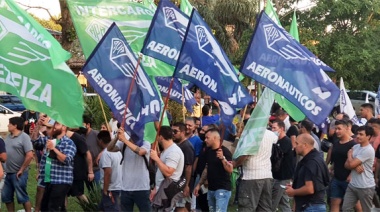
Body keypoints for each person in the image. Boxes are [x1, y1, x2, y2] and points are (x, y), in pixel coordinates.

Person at [33, 121, 77, 211]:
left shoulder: (68, 143)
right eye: (54, 124)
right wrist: (37, 125)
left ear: (64, 127)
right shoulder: (48, 139)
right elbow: (34, 142)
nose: (54, 126)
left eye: (57, 124)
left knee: (53, 208)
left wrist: (53, 149)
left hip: (61, 180)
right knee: (46, 207)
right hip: (48, 180)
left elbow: (66, 160)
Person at [107, 127, 152, 212]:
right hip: (125, 188)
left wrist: (124, 140)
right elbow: (109, 148)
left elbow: (140, 152)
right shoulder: (124, 144)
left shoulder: (145, 143)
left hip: (141, 187)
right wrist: (117, 137)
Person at [232, 129, 277, 212]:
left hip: (251, 176)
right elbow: (277, 138)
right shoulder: (271, 134)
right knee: (264, 208)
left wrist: (235, 164)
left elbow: (245, 154)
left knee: (247, 207)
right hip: (266, 175)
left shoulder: (251, 134)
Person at [285, 134, 329, 212]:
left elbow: (309, 189)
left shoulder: (311, 162)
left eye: (297, 143)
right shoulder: (317, 158)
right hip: (311, 205)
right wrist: (296, 185)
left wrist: (293, 192)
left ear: (305, 145)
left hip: (311, 206)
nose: (295, 146)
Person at [194, 129, 233, 212]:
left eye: (207, 138)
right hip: (211, 189)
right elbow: (206, 168)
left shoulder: (225, 151)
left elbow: (230, 169)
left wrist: (223, 158)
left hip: (222, 189)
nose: (205, 140)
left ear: (215, 138)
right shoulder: (208, 151)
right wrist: (199, 184)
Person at [2, 117, 33, 212]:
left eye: (9, 123)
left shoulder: (24, 137)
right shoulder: (8, 137)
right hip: (7, 173)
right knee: (6, 197)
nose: (8, 125)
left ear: (15, 125)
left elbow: (30, 155)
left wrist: (22, 169)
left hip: (19, 174)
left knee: (22, 196)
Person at [342, 126, 376, 212]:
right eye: (357, 134)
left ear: (368, 136)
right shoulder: (356, 147)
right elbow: (346, 165)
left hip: (365, 186)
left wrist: (349, 155)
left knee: (366, 210)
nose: (357, 136)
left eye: (361, 134)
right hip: (353, 185)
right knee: (346, 208)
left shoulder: (368, 150)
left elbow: (351, 164)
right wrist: (354, 165)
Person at [150, 126, 184, 211]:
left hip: (167, 191)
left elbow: (169, 172)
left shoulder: (173, 152)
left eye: (157, 135)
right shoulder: (167, 150)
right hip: (162, 190)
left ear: (161, 137)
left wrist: (156, 159)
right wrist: (155, 189)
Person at [327, 120, 357, 212]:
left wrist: (351, 175)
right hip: (336, 178)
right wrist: (331, 168)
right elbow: (336, 158)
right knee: (334, 202)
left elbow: (357, 163)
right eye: (335, 129)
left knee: (356, 205)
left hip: (349, 180)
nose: (336, 131)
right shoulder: (336, 143)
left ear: (347, 128)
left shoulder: (353, 145)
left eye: (339, 129)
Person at [271, 120, 294, 212]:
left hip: (283, 176)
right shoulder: (276, 140)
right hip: (277, 175)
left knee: (273, 200)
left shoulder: (286, 141)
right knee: (283, 201)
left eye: (274, 128)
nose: (272, 130)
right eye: (272, 128)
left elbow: (277, 155)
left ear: (282, 129)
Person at [66, 128, 94, 203]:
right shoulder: (58, 137)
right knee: (63, 195)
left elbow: (87, 154)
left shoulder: (77, 137)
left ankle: (90, 209)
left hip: (76, 172)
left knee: (79, 194)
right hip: (64, 172)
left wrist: (90, 171)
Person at [172, 122, 195, 211]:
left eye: (175, 131)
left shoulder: (187, 146)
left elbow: (189, 167)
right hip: (177, 182)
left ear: (182, 132)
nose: (173, 133)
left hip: (183, 183)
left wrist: (187, 185)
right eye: (171, 131)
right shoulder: (176, 145)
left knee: (181, 207)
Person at [98, 130, 122, 211]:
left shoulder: (106, 153)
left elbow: (108, 172)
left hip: (110, 189)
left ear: (100, 141)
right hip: (119, 186)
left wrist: (105, 190)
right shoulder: (118, 152)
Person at [83, 115, 101, 190]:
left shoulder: (96, 134)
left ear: (88, 125)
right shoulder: (81, 136)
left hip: (97, 169)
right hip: (86, 170)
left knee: (99, 192)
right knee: (91, 193)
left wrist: (100, 155)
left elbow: (107, 146)